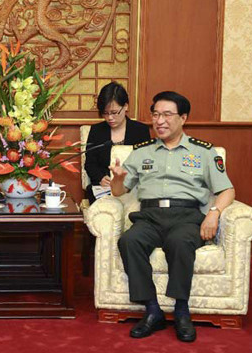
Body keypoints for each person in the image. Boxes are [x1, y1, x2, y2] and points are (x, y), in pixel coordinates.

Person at [109, 91, 235, 342]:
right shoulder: (142, 151)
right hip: (149, 216)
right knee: (129, 241)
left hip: (186, 216)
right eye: (155, 114)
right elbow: (118, 192)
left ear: (183, 118)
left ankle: (181, 310)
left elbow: (227, 190)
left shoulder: (204, 152)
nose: (159, 121)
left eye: (167, 114)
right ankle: (153, 310)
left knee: (179, 242)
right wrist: (119, 179)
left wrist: (214, 213)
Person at [85, 82, 150, 204]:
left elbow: (145, 162)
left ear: (125, 106)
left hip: (132, 188)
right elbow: (90, 163)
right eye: (105, 113)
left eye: (114, 112)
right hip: (104, 188)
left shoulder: (140, 130)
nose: (110, 118)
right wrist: (100, 178)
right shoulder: (96, 131)